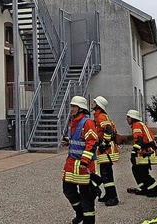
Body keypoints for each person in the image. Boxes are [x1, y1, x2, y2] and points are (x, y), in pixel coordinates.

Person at [62, 96, 99, 224]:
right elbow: (80, 140)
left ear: (81, 108)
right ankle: (80, 213)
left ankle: (88, 220)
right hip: (72, 164)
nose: (71, 109)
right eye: (71, 106)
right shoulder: (73, 121)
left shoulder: (87, 122)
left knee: (87, 196)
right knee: (68, 190)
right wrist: (69, 141)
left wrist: (84, 161)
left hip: (84, 166)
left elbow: (92, 142)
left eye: (74, 107)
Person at [125, 109, 157, 197]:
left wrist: (133, 153)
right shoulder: (141, 124)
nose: (127, 119)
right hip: (148, 150)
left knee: (142, 172)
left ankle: (156, 190)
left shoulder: (136, 125)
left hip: (146, 152)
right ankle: (145, 189)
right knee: (137, 170)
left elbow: (138, 140)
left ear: (132, 118)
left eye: (128, 117)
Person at [91, 96, 120, 206]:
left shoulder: (100, 116)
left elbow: (108, 129)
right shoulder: (100, 115)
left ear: (98, 105)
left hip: (107, 149)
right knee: (105, 173)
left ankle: (113, 197)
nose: (92, 103)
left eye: (94, 102)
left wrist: (104, 143)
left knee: (106, 174)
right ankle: (109, 194)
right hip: (106, 148)